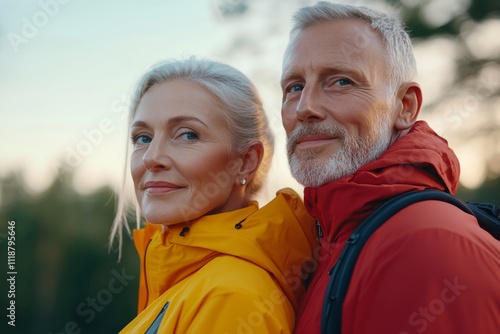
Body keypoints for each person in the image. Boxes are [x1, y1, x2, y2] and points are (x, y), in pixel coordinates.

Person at [280, 2, 500, 334]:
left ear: (405, 106)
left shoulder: (427, 246)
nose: (304, 107)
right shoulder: (317, 243)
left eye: (340, 81)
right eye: (294, 87)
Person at [109, 57, 317, 333]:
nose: (152, 157)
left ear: (245, 161)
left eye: (187, 135)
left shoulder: (231, 296)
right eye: (143, 138)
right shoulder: (191, 279)